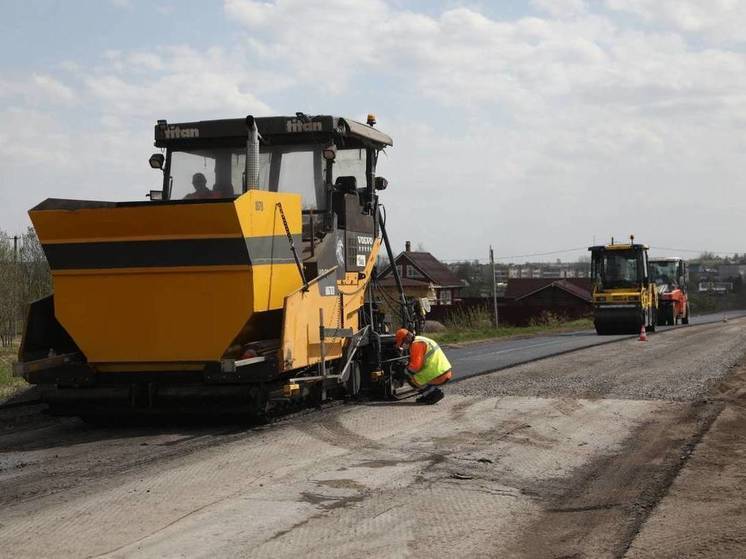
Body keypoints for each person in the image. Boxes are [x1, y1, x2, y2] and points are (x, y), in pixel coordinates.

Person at [394, 328, 452, 404]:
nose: (402, 346)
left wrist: (403, 369)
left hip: (438, 374)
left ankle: (434, 394)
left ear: (406, 339)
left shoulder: (416, 345)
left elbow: (415, 368)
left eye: (401, 344)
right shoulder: (420, 340)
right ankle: (428, 395)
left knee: (408, 375)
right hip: (443, 371)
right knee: (410, 373)